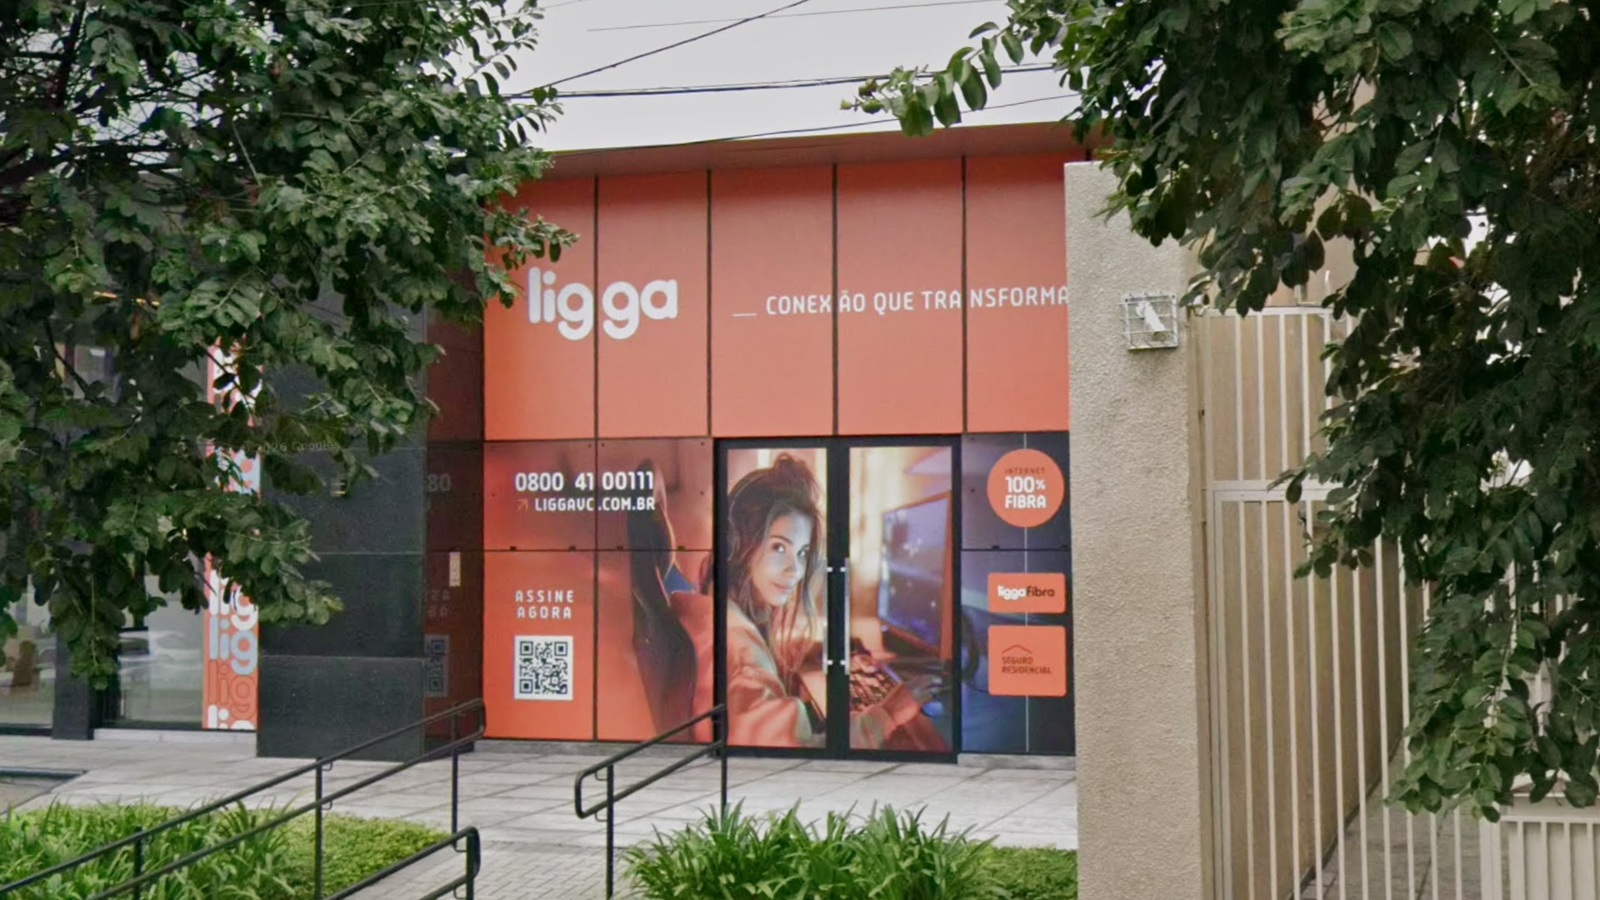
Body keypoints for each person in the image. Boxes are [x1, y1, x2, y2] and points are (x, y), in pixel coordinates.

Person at [628, 454, 935, 748]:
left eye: (802, 553)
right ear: (737, 544)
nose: (795, 570)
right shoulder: (743, 659)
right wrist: (887, 714)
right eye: (779, 547)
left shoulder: (708, 614)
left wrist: (801, 649)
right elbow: (802, 756)